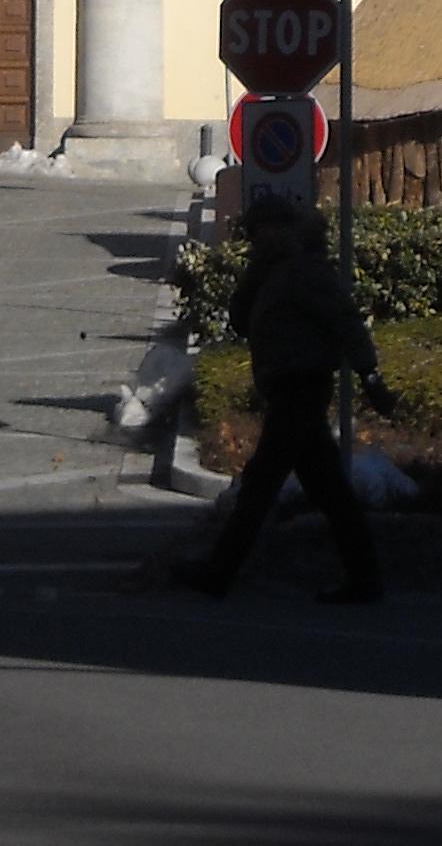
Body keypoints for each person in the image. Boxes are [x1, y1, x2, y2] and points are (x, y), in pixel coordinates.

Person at [176, 201, 392, 605]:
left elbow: (345, 319)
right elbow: (241, 320)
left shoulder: (306, 271)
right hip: (287, 387)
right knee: (329, 491)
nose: (257, 241)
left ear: (283, 230)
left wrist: (369, 374)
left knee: (261, 483)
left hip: (302, 386)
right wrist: (254, 276)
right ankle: (366, 579)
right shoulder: (273, 272)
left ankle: (219, 572)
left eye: (262, 233)